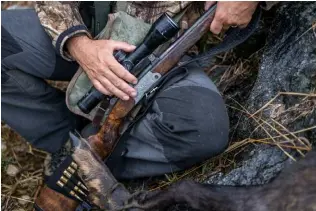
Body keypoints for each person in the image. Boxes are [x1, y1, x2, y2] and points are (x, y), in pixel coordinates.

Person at [1, 1, 274, 179]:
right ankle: (64, 143)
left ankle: (94, 158)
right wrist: (79, 45)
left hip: (167, 50)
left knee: (205, 131)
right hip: (82, 29)